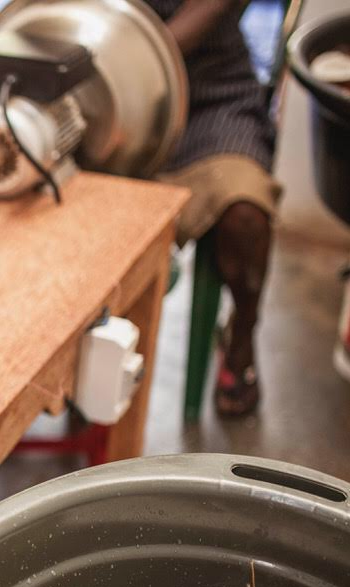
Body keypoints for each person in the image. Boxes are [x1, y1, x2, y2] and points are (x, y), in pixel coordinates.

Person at [148, 0, 279, 416]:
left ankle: (242, 333)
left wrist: (134, 51)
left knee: (246, 212)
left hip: (211, 96)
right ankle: (87, 349)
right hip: (115, 94)